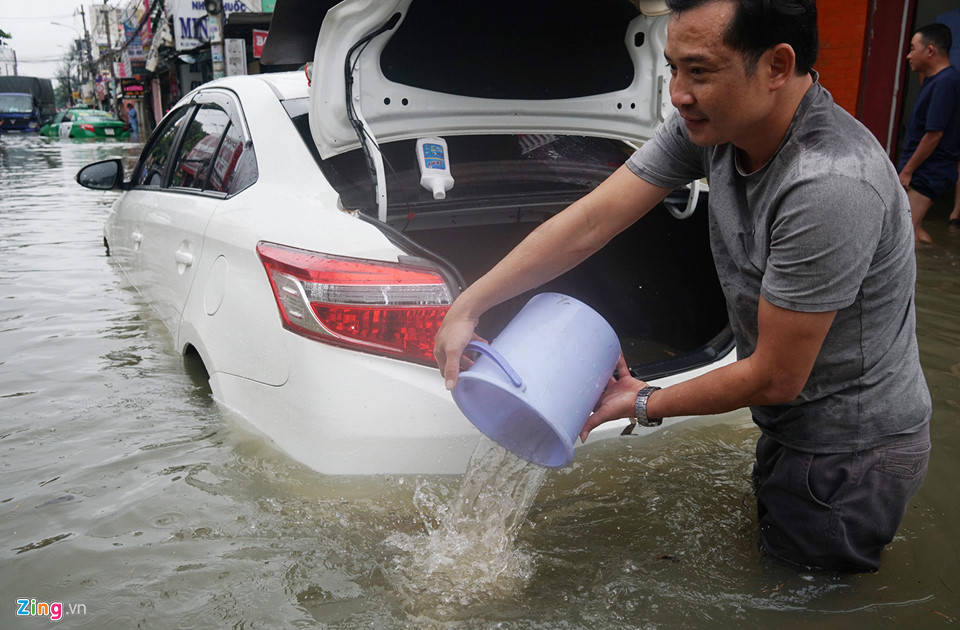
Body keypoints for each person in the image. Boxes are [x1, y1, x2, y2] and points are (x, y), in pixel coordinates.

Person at [434, 0, 931, 573]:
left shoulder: (830, 185)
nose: (677, 93)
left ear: (776, 65)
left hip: (852, 452)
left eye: (699, 71)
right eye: (672, 68)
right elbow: (593, 220)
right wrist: (469, 304)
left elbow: (776, 374)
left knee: (803, 601)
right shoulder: (716, 127)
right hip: (794, 426)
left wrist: (643, 401)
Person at [898, 23, 960, 243]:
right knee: (911, 228)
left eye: (913, 48)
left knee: (906, 233)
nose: (908, 56)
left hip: (929, 170)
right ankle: (935, 259)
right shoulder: (934, 80)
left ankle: (923, 272)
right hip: (923, 169)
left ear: (930, 51)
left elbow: (934, 135)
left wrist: (907, 171)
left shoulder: (945, 83)